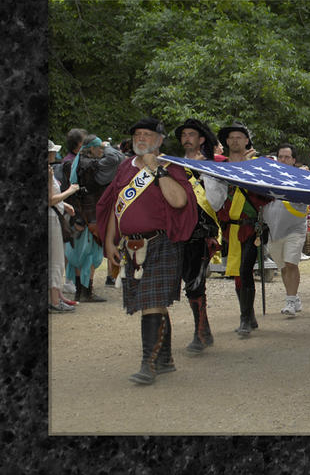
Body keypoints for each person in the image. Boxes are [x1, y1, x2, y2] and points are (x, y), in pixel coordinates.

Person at [95, 117, 198, 385]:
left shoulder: (171, 166)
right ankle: (165, 360)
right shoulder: (124, 168)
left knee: (152, 300)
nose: (141, 139)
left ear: (160, 140)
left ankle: (148, 364)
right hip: (131, 245)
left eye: (148, 135)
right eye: (137, 134)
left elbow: (179, 201)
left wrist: (157, 170)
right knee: (155, 300)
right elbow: (114, 207)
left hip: (162, 242)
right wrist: (109, 241)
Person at [174, 118, 226, 353]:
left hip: (200, 233)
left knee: (195, 284)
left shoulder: (211, 167)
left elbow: (215, 202)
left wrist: (205, 177)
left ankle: (201, 332)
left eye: (191, 134)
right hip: (176, 231)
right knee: (186, 281)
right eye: (183, 134)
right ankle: (203, 331)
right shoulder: (172, 166)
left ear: (201, 139)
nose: (187, 138)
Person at [216, 121, 270, 337]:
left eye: (239, 136)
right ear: (226, 142)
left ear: (247, 140)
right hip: (230, 228)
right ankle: (249, 315)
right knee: (238, 273)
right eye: (231, 137)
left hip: (250, 227)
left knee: (244, 271)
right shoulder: (219, 165)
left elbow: (267, 195)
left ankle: (245, 318)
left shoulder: (257, 164)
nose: (235, 140)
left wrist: (248, 172)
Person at [64, 133, 125, 302]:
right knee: (90, 253)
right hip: (90, 216)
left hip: (80, 213)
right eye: (98, 147)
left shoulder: (75, 162)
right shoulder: (90, 164)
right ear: (91, 148)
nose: (100, 150)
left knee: (80, 253)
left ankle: (81, 291)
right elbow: (116, 158)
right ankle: (86, 292)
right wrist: (108, 147)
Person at [261, 143, 310, 316]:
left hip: (295, 229)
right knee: (282, 266)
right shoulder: (267, 178)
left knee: (291, 263)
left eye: (286, 157)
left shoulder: (301, 178)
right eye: (280, 156)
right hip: (274, 230)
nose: (283, 160)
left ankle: (289, 301)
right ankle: (294, 297)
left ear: (294, 160)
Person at [49, 140, 81, 312]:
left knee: (56, 258)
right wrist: (70, 192)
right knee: (56, 259)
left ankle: (57, 295)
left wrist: (64, 205)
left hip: (54, 213)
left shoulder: (50, 170)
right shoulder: (47, 171)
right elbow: (49, 199)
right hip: (51, 218)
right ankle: (54, 301)